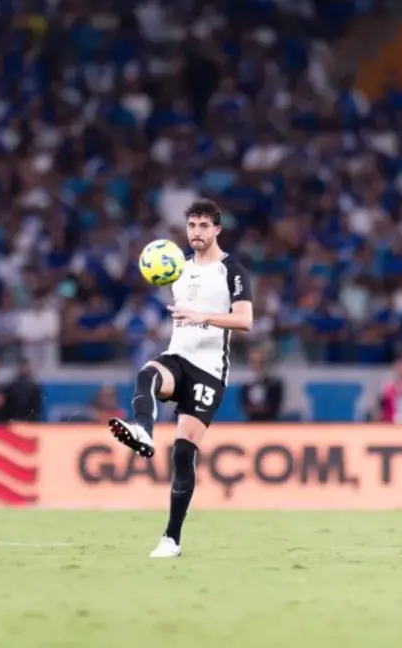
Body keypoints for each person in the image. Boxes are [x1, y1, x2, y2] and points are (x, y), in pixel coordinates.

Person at [108, 199, 253, 558]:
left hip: (209, 370)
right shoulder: (177, 268)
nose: (197, 233)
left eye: (204, 226)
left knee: (184, 452)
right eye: (192, 226)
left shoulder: (232, 270)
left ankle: (171, 539)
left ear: (217, 229)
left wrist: (201, 316)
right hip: (178, 358)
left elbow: (245, 320)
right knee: (146, 375)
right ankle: (142, 428)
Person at [240, 347, 283, 422]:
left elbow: (275, 405)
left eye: (260, 362)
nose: (257, 366)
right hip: (251, 422)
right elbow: (243, 404)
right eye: (254, 362)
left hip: (269, 422)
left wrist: (264, 409)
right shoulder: (246, 384)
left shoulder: (274, 384)